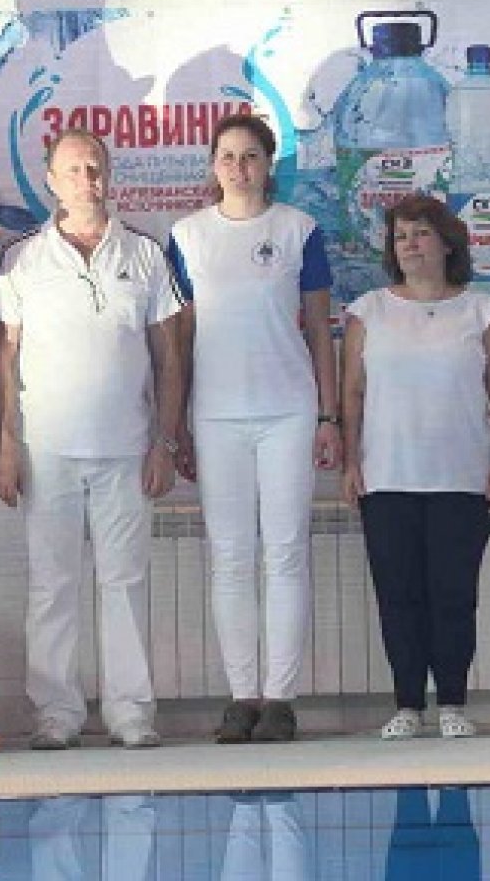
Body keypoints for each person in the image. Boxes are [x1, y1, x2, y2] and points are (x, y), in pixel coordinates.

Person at [0, 129, 184, 750]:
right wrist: (5, 448)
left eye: (94, 168)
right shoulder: (21, 259)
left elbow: (170, 358)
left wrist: (165, 443)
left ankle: (130, 713)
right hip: (46, 451)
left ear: (109, 174)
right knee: (53, 586)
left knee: (124, 582)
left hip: (128, 448)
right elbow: (1, 362)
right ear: (50, 180)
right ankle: (56, 714)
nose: (86, 181)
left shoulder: (144, 253)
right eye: (73, 170)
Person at [167, 112, 341, 744]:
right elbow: (180, 338)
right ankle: (242, 697)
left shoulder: (299, 230)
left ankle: (280, 700)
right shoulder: (186, 236)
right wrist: (177, 426)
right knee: (232, 557)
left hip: (288, 412)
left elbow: (319, 329)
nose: (238, 168)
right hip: (216, 416)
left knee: (286, 552)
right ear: (212, 166)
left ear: (269, 165)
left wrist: (328, 416)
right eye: (227, 156)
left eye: (250, 156)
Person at [341, 193, 490, 740]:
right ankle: (408, 705)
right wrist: (350, 461)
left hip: (461, 478)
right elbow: (352, 394)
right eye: (400, 236)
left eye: (420, 234)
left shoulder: (482, 312)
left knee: (453, 596)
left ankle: (453, 704)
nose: (410, 245)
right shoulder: (368, 311)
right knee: (399, 597)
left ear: (446, 243)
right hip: (386, 476)